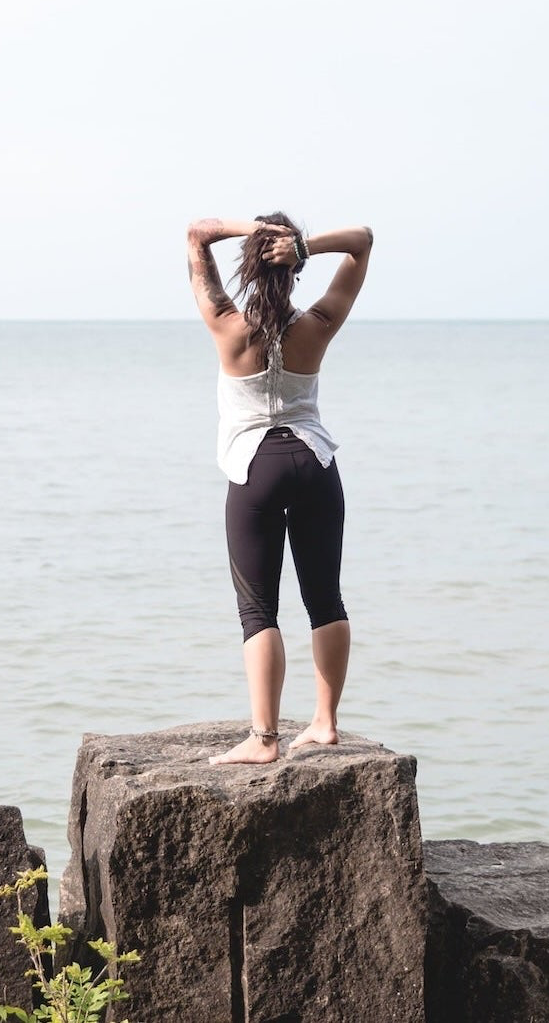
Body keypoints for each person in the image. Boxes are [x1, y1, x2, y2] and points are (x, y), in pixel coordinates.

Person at [185, 213, 374, 764]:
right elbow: (362, 242)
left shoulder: (226, 324)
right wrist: (303, 245)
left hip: (254, 470)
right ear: (294, 269)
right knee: (325, 598)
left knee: (257, 610)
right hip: (314, 463)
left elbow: (197, 234)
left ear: (249, 265)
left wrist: (252, 232)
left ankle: (264, 739)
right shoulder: (318, 323)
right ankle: (325, 722)